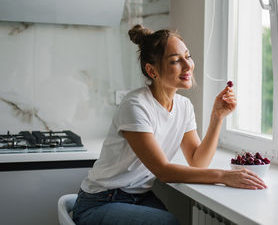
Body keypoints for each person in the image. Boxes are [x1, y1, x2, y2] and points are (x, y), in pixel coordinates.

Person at [72, 24, 267, 225]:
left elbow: (197, 161)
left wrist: (217, 117)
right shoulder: (135, 106)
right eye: (175, 61)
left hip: (138, 198)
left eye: (187, 56)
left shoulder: (183, 106)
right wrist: (224, 176)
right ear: (152, 70)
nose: (188, 65)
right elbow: (163, 171)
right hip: (100, 202)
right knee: (168, 222)